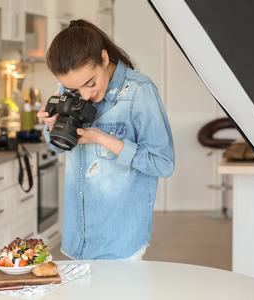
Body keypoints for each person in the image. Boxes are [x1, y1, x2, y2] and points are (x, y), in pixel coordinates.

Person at [37, 19, 175, 260]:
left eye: (91, 83)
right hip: (76, 240)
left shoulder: (138, 91)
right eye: (75, 90)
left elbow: (162, 164)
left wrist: (101, 138)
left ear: (103, 57)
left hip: (120, 242)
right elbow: (58, 147)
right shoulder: (68, 88)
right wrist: (51, 128)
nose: (86, 95)